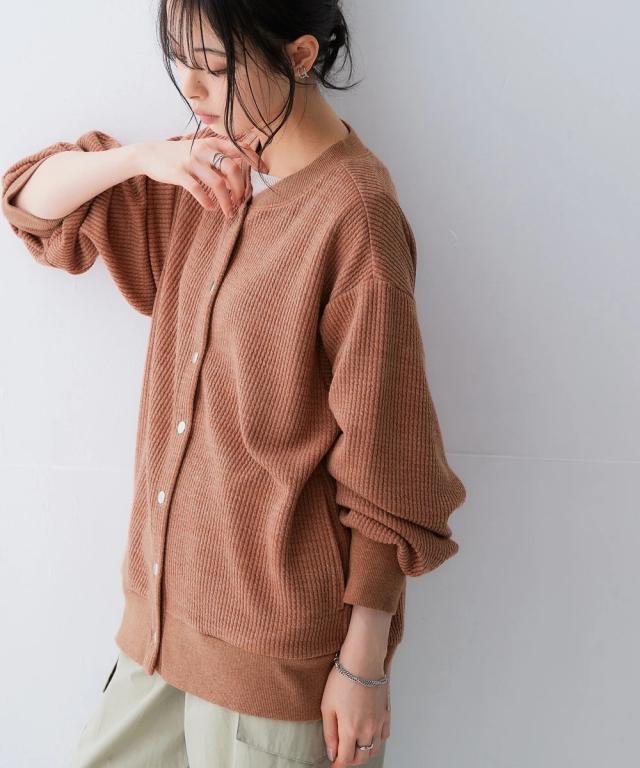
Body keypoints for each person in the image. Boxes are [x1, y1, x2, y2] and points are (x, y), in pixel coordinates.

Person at [0, 1, 467, 766]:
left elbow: (388, 462)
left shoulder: (355, 214)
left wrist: (364, 663)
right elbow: (27, 200)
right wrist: (140, 160)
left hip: (274, 666)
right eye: (182, 63)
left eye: (214, 67)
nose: (192, 88)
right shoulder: (203, 178)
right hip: (161, 637)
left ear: (300, 55)